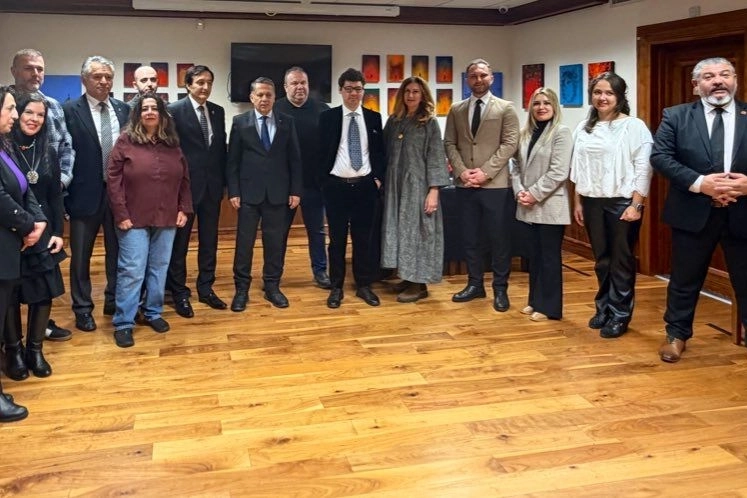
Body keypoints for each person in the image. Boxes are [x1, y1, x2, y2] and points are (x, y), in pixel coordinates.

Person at [651, 57, 747, 362]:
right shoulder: (676, 116)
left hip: (742, 213)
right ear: (696, 85)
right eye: (709, 76)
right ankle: (676, 335)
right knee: (685, 279)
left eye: (725, 74)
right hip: (692, 212)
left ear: (735, 80)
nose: (718, 81)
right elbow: (661, 157)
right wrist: (700, 183)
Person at [570, 72, 653, 339]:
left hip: (622, 202)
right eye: (597, 92)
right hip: (591, 201)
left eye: (609, 93)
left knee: (621, 261)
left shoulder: (633, 126)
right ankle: (603, 308)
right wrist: (578, 202)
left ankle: (620, 314)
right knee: (601, 260)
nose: (602, 98)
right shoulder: (583, 128)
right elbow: (578, 168)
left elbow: (644, 168)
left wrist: (636, 205)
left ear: (619, 96)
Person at [107, 93, 192, 348]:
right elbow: (113, 179)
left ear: (162, 114)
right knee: (132, 270)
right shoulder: (125, 141)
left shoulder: (172, 143)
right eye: (145, 108)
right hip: (133, 217)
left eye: (155, 108)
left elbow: (184, 178)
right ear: (138, 114)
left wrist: (184, 208)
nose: (150, 112)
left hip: (167, 215)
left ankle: (152, 311)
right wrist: (121, 213)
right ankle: (124, 322)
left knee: (159, 267)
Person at [444, 58, 520, 313]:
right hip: (465, 185)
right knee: (470, 238)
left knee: (499, 239)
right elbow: (449, 143)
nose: (478, 80)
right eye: (473, 76)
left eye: (483, 75)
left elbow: (509, 144)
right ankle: (475, 284)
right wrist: (462, 172)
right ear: (467, 79)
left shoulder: (506, 108)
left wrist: (485, 172)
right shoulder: (456, 109)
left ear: (491, 78)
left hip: (495, 186)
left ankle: (500, 289)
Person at [10, 48, 74, 341]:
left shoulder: (54, 106)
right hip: (11, 213)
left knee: (41, 283)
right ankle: (11, 341)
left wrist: (59, 181)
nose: (35, 74)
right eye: (29, 68)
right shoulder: (4, 103)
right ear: (14, 71)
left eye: (40, 68)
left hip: (46, 202)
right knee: (10, 285)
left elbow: (65, 147)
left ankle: (40, 332)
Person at [3, 92, 67, 380]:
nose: (34, 119)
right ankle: (13, 351)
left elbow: (55, 196)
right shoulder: (5, 147)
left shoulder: (47, 150)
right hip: (12, 231)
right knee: (10, 296)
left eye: (40, 115)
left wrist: (58, 232)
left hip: (42, 231)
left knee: (42, 293)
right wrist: (25, 226)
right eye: (29, 112)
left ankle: (35, 350)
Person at [63, 55, 129, 332]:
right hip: (83, 195)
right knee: (81, 257)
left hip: (118, 195)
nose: (103, 81)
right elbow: (63, 153)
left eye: (108, 77)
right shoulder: (68, 110)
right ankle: (82, 308)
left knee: (119, 252)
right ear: (84, 79)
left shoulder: (123, 109)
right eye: (97, 76)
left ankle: (113, 300)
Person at [227, 77, 302, 311]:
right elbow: (233, 161)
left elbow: (295, 159)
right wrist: (234, 191)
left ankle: (272, 286)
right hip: (248, 195)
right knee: (244, 244)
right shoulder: (240, 122)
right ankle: (241, 289)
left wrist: (295, 190)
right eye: (259, 95)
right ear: (252, 97)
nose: (264, 99)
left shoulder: (287, 121)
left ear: (275, 97)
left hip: (278, 194)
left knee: (275, 243)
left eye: (268, 95)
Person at [317, 68, 387, 309]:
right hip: (336, 187)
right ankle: (336, 287)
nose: (353, 93)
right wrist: (324, 182)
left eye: (358, 89)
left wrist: (378, 179)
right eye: (349, 89)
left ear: (363, 91)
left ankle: (363, 285)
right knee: (337, 241)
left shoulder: (374, 118)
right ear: (340, 90)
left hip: (365, 188)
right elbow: (319, 153)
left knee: (363, 239)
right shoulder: (328, 118)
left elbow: (380, 153)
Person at [0, 86, 47, 422]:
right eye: (10, 109)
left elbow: (23, 188)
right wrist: (29, 224)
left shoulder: (5, 147)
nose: (16, 115)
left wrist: (38, 220)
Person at [166, 65, 228, 318]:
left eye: (209, 82)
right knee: (180, 244)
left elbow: (220, 150)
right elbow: (171, 152)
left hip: (212, 188)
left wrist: (224, 184)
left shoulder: (217, 110)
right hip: (185, 189)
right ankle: (179, 292)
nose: (205, 87)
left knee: (209, 241)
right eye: (200, 82)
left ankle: (206, 288)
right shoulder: (174, 111)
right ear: (188, 84)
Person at [381, 76, 450, 303]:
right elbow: (383, 152)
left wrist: (434, 190)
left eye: (416, 92)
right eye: (407, 91)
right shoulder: (395, 121)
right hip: (395, 187)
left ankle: (419, 285)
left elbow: (436, 157)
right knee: (401, 231)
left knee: (418, 233)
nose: (411, 95)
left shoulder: (428, 123)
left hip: (419, 187)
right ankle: (407, 276)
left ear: (423, 95)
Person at [510, 87, 572, 322]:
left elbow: (559, 171)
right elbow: (515, 167)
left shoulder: (561, 132)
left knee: (549, 257)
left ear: (554, 106)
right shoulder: (525, 133)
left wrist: (534, 194)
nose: (541, 107)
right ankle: (535, 300)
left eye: (546, 103)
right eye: (536, 103)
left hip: (549, 204)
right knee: (534, 256)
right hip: (526, 204)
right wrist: (520, 191)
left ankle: (550, 307)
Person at [275, 66, 331, 289]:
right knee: (279, 233)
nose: (299, 87)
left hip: (314, 185)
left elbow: (330, 148)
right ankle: (274, 274)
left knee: (317, 231)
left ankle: (320, 272)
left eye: (303, 83)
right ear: (285, 87)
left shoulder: (323, 110)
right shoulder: (275, 109)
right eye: (294, 83)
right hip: (284, 186)